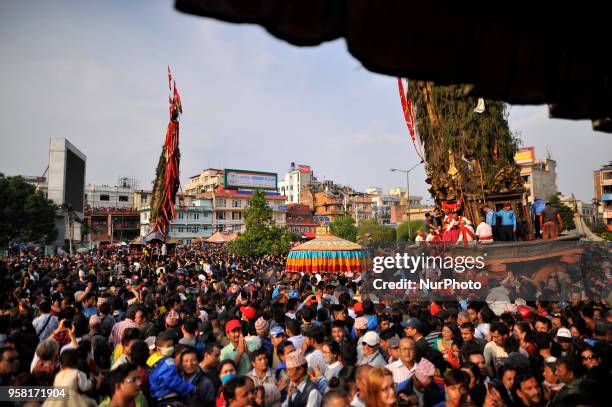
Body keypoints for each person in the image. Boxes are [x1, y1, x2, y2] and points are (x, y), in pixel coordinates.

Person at [147, 331, 195, 405]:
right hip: (169, 398)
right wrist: (191, 388)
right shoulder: (168, 363)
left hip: (157, 398)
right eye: (168, 346)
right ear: (159, 349)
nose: (171, 348)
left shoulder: (153, 361)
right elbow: (174, 382)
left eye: (172, 345)